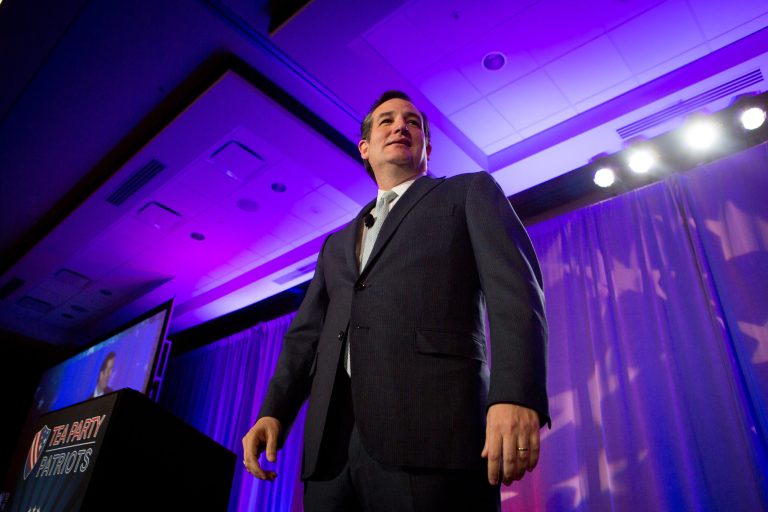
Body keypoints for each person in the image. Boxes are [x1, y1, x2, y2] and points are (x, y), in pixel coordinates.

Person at [243, 90, 549, 511]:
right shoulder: (334, 245)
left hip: (432, 435)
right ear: (365, 148)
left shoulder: (468, 193)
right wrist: (272, 412)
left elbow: (516, 292)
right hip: (331, 451)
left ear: (427, 146)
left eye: (413, 121)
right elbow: (304, 338)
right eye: (386, 120)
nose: (400, 126)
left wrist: (515, 394)